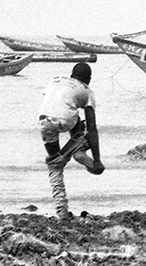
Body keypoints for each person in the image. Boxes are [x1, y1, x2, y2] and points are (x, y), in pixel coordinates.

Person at [38, 61, 104, 219]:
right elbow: (92, 129)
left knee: (55, 165)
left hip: (44, 121)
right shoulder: (87, 91)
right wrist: (97, 160)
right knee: (78, 119)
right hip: (66, 120)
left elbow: (53, 101)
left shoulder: (55, 81)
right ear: (88, 79)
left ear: (72, 74)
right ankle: (79, 149)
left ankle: (61, 212)